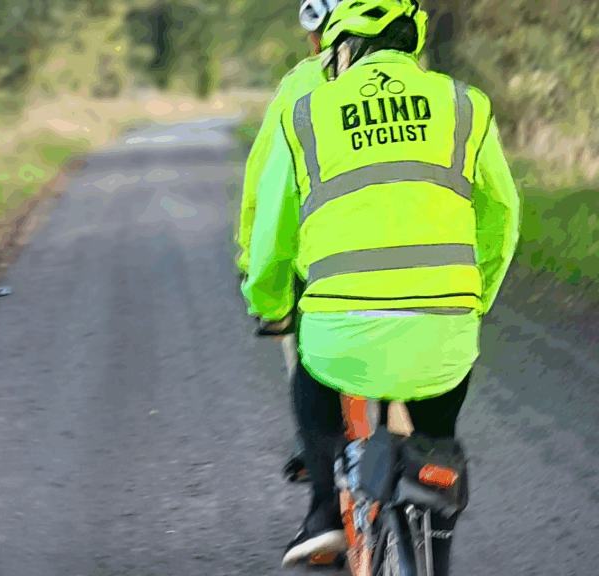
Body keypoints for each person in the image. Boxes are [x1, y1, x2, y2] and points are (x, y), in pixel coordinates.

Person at [240, 0, 521, 570]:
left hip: (340, 336)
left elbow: (272, 232)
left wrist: (271, 305)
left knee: (313, 379)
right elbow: (503, 213)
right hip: (445, 335)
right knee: (438, 436)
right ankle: (436, 539)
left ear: (342, 48)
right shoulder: (465, 104)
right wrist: (477, 296)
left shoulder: (306, 111)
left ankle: (325, 506)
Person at [236, 0, 347, 493]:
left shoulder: (301, 84)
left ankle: (324, 503)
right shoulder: (420, 85)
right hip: (423, 268)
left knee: (307, 360)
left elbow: (264, 186)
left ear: (317, 33)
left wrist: (255, 273)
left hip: (319, 265)